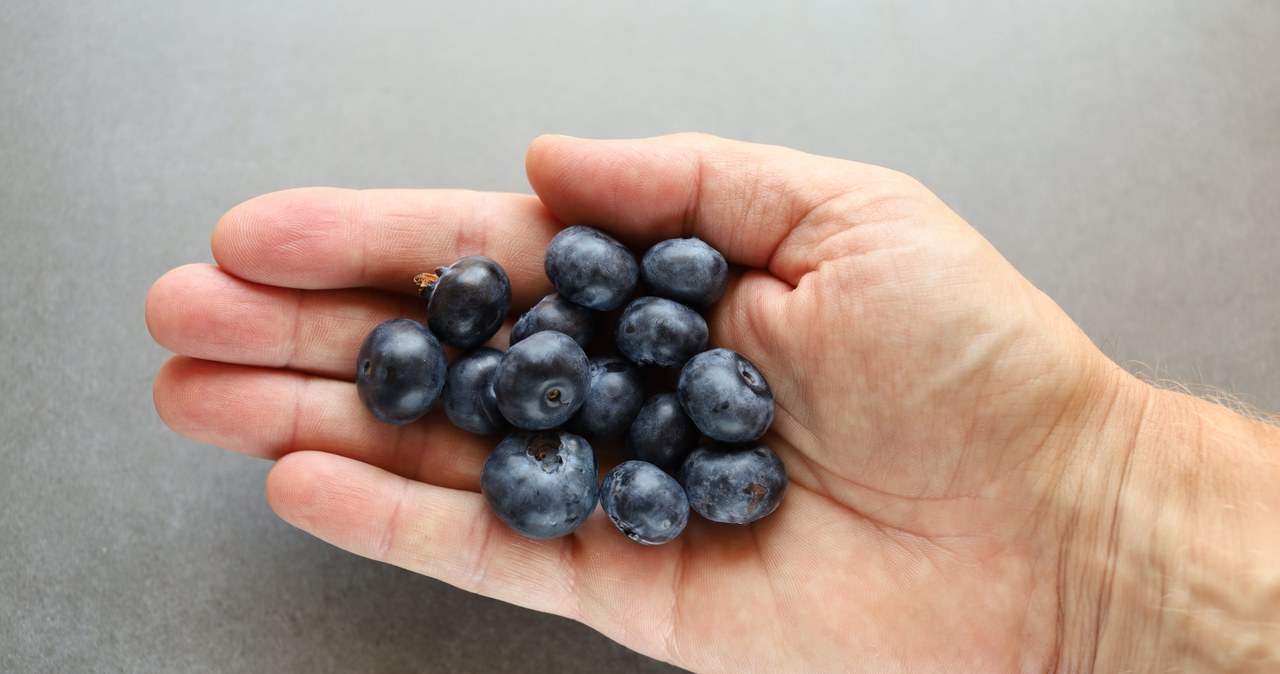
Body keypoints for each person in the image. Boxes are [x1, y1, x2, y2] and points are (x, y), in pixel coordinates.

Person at [145, 134, 1280, 672]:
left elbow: (616, 399)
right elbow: (578, 392)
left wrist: (1096, 489)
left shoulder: (637, 402)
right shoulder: (565, 379)